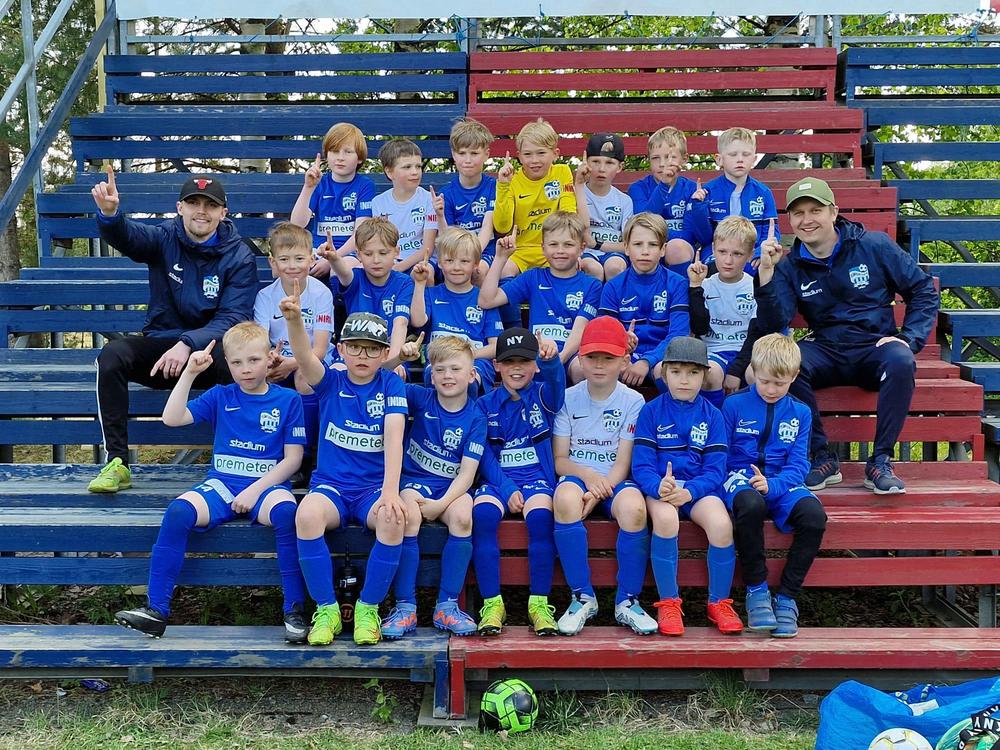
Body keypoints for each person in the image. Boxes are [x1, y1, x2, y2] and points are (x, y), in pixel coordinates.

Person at [113, 323, 307, 641]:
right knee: (178, 512)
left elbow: (293, 460)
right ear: (227, 363)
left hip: (266, 487)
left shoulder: (287, 400)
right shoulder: (221, 395)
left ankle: (294, 611)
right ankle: (156, 610)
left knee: (288, 513)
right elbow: (171, 418)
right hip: (222, 485)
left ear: (269, 357)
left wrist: (254, 490)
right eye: (237, 362)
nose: (246, 369)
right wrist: (189, 373)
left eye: (254, 360)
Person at [755, 177, 939, 494]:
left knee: (901, 359)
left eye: (815, 210)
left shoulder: (874, 245)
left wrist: (909, 338)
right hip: (827, 349)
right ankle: (822, 457)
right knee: (786, 363)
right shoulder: (789, 266)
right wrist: (767, 274)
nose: (807, 220)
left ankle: (880, 461)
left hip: (874, 347)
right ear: (790, 221)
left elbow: (923, 289)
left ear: (834, 211)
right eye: (798, 213)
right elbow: (775, 322)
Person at [88, 170, 258, 493]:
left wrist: (188, 344)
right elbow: (129, 236)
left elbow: (233, 318)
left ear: (223, 213)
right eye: (193, 203)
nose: (201, 211)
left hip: (209, 355)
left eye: (210, 205)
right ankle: (117, 462)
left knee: (240, 363)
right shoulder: (164, 237)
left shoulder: (239, 255)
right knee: (111, 356)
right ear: (180, 208)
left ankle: (239, 462)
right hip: (162, 354)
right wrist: (110, 216)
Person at [284, 302, 412, 647]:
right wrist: (294, 321)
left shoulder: (391, 385)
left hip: (372, 489)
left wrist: (390, 491)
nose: (362, 355)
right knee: (306, 515)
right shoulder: (331, 381)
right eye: (354, 347)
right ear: (341, 349)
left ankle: (368, 609)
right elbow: (304, 356)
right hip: (333, 487)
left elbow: (394, 438)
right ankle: (327, 610)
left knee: (393, 518)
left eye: (372, 349)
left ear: (384, 354)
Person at [631, 336, 743, 637]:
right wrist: (658, 486)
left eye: (693, 372)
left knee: (721, 524)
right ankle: (669, 602)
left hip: (697, 488)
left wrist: (691, 491)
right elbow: (641, 466)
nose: (684, 379)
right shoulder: (651, 411)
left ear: (704, 376)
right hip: (661, 488)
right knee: (666, 519)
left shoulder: (713, 415)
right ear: (664, 374)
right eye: (677, 372)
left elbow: (716, 469)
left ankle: (719, 602)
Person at [551, 317, 656, 636]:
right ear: (580, 359)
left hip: (614, 478)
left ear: (624, 361)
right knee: (565, 499)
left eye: (608, 358)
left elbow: (624, 461)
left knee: (635, 508)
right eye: (592, 357)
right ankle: (582, 596)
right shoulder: (568, 397)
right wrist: (587, 476)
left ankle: (628, 600)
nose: (599, 365)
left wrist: (600, 490)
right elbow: (560, 460)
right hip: (578, 476)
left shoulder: (633, 401)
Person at [721, 333, 827, 639]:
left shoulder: (801, 412)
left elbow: (800, 464)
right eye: (764, 381)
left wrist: (774, 485)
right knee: (750, 505)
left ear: (794, 376)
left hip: (781, 480)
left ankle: (787, 597)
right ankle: (756, 589)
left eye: (779, 384)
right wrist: (751, 482)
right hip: (739, 477)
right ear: (753, 371)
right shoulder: (733, 405)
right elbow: (721, 456)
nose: (770, 390)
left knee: (814, 516)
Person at [472, 328, 565, 636]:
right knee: (483, 514)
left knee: (540, 517)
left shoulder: (544, 396)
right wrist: (507, 488)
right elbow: (483, 455)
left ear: (534, 365)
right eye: (509, 361)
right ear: (496, 365)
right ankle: (492, 604)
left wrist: (551, 360)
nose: (516, 368)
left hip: (537, 479)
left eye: (524, 361)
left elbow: (556, 383)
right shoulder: (484, 404)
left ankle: (539, 604)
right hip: (499, 480)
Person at [392, 335, 487, 637]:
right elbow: (379, 380)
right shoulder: (420, 398)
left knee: (463, 516)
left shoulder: (476, 417)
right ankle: (405, 607)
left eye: (456, 369)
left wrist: (441, 504)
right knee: (408, 515)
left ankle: (447, 606)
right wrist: (400, 358)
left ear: (472, 374)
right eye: (440, 369)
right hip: (415, 482)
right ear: (431, 375)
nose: (448, 376)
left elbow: (467, 475)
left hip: (451, 487)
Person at [479, 212, 601, 382]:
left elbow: (580, 329)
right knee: (520, 368)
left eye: (568, 244)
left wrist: (559, 358)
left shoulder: (592, 285)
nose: (560, 251)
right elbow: (487, 300)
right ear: (543, 248)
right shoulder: (533, 277)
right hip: (536, 352)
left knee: (581, 370)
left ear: (582, 248)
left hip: (571, 353)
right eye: (553, 244)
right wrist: (500, 258)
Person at [254, 222, 334, 465]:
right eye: (284, 259)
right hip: (280, 360)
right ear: (273, 263)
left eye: (299, 258)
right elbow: (260, 342)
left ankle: (306, 455)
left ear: (311, 259)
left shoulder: (321, 294)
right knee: (256, 375)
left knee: (304, 377)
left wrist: (292, 363)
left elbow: (319, 350)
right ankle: (264, 452)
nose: (292, 266)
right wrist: (271, 360)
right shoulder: (265, 296)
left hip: (314, 361)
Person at [599, 213, 689, 388]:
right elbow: (605, 333)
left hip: (661, 357)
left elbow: (678, 334)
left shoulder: (677, 284)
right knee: (603, 366)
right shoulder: (613, 287)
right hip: (624, 356)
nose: (645, 251)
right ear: (626, 248)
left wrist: (647, 360)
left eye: (653, 245)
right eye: (638, 244)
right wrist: (622, 342)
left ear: (663, 249)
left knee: (666, 371)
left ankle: (670, 407)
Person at [410, 227, 502, 392]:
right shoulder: (431, 294)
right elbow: (417, 321)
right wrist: (419, 284)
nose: (456, 267)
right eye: (449, 260)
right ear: (439, 262)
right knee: (436, 373)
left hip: (475, 360)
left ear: (475, 264)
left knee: (468, 379)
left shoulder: (484, 299)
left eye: (464, 261)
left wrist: (468, 354)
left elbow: (496, 346)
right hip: (439, 360)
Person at [687, 216, 759, 408]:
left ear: (750, 255)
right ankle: (716, 421)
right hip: (712, 351)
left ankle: (750, 422)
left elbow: (755, 335)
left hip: (745, 353)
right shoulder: (704, 285)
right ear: (713, 249)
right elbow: (699, 328)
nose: (728, 260)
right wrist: (695, 287)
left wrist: (736, 370)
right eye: (722, 252)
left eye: (737, 254)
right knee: (711, 373)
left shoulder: (755, 287)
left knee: (759, 374)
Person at [493, 118, 580, 275]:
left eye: (541, 153)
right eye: (527, 154)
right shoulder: (512, 180)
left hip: (554, 248)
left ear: (555, 154)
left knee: (572, 267)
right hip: (520, 250)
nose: (534, 160)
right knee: (504, 271)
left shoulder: (562, 172)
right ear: (519, 156)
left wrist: (571, 251)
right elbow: (502, 227)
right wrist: (503, 186)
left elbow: (568, 214)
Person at [323, 217, 414, 366]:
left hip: (387, 350)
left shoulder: (404, 282)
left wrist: (393, 361)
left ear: (396, 252)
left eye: (383, 253)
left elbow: (401, 323)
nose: (376, 260)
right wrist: (333, 258)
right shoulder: (356, 278)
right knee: (337, 369)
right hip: (354, 350)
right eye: (368, 254)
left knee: (397, 374)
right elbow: (344, 273)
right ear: (358, 255)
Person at [289, 121, 375, 276]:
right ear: (326, 155)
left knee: (339, 269)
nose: (340, 158)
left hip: (349, 253)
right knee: (293, 267)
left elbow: (360, 234)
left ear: (360, 158)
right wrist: (308, 187)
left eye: (348, 152)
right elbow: (297, 224)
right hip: (318, 251)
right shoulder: (319, 183)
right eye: (334, 151)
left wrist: (332, 260)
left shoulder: (364, 185)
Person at [628, 126, 709, 273]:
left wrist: (698, 207)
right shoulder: (638, 188)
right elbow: (643, 223)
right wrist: (664, 185)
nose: (662, 164)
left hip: (681, 249)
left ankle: (682, 287)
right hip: (648, 247)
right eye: (655, 158)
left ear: (684, 159)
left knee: (676, 247)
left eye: (669, 157)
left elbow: (695, 235)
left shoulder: (691, 189)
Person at [701, 127, 780, 264]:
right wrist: (698, 207)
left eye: (746, 154)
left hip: (752, 254)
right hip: (718, 254)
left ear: (754, 159)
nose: (740, 160)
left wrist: (760, 252)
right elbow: (703, 235)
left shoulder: (763, 193)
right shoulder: (708, 191)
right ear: (719, 159)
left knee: (763, 267)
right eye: (733, 154)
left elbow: (771, 230)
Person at [437, 118, 497, 278]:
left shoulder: (494, 187)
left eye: (474, 153)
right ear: (453, 155)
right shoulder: (446, 193)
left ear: (486, 154)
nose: (468, 160)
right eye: (462, 153)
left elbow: (487, 227)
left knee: (478, 272)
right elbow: (447, 236)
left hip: (486, 250)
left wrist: (471, 257)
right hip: (456, 252)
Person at [371, 139, 438, 272]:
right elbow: (380, 243)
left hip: (422, 260)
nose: (415, 172)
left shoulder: (429, 200)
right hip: (391, 260)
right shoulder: (378, 203)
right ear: (389, 172)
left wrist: (398, 268)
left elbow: (427, 249)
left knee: (425, 273)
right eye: (407, 167)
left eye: (418, 166)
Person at [577, 133, 633, 282]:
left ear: (620, 167)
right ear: (585, 161)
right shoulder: (577, 193)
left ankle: (614, 298)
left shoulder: (624, 201)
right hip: (584, 253)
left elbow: (628, 245)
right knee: (591, 268)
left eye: (609, 163)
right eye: (595, 161)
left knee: (614, 267)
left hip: (613, 253)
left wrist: (597, 245)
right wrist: (579, 185)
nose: (601, 169)